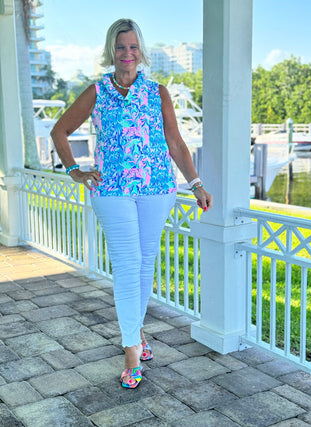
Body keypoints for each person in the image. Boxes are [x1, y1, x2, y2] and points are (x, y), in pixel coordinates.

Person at [51, 18, 213, 389]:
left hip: (157, 188)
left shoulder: (158, 92)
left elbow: (175, 143)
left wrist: (196, 183)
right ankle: (130, 352)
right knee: (127, 265)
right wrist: (75, 170)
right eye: (121, 47)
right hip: (112, 192)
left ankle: (137, 334)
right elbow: (60, 130)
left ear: (142, 52)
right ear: (112, 51)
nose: (127, 54)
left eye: (133, 47)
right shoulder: (96, 91)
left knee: (144, 265)